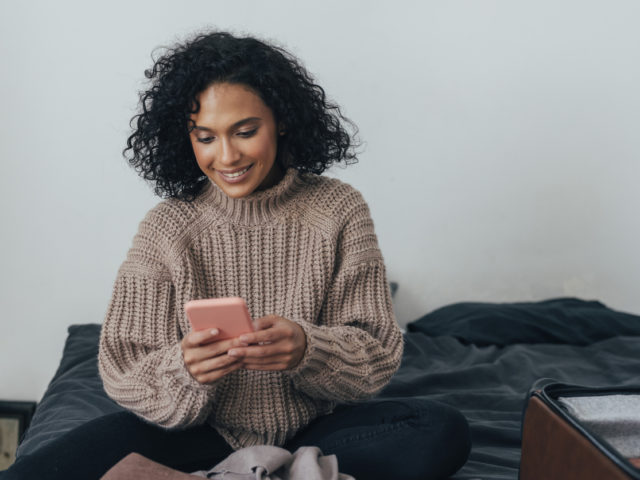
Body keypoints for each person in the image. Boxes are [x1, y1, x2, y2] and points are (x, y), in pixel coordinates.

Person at [2, 31, 470, 480]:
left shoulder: (338, 210)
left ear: (281, 120)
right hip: (198, 431)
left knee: (441, 432)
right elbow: (125, 366)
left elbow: (376, 351)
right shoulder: (166, 227)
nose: (225, 156)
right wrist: (184, 370)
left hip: (317, 430)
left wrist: (310, 348)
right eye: (205, 137)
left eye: (244, 131)